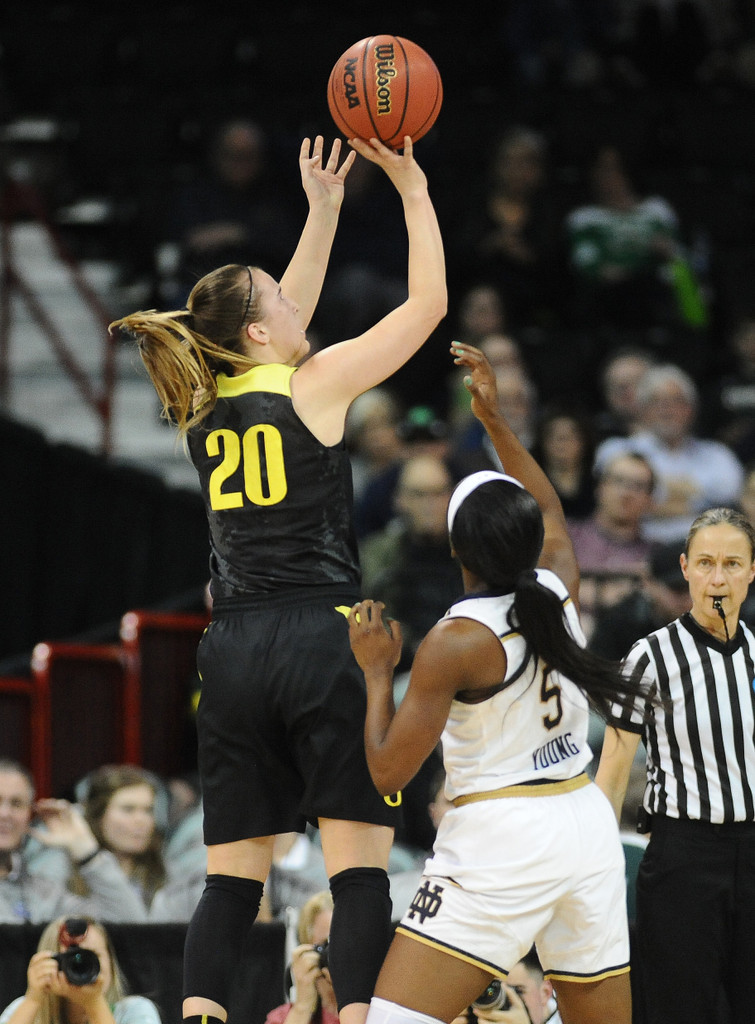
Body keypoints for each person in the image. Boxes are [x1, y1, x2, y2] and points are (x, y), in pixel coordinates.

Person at [109, 131, 446, 1024]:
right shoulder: (321, 384)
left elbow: (268, 320)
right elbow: (428, 303)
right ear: (261, 331)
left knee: (230, 883)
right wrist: (408, 187)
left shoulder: (202, 405)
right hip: (317, 637)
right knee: (362, 866)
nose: (302, 307)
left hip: (234, 653)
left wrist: (323, 210)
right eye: (277, 303)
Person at [347, 341, 652, 1024]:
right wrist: (494, 422)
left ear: (457, 548)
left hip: (503, 837)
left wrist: (375, 673)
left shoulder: (455, 642)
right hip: (583, 825)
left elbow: (388, 773)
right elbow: (547, 507)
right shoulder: (558, 586)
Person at [595, 506, 755, 1024]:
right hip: (684, 856)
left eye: (733, 563)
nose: (718, 577)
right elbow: (614, 769)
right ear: (684, 568)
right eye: (706, 562)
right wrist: (591, 870)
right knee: (680, 1010)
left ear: (753, 571)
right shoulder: (651, 657)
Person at [594, 362, 745, 544]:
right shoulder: (617, 450)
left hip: (706, 551)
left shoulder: (718, 455)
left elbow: (733, 507)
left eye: (677, 401)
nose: (667, 409)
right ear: (642, 408)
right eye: (657, 401)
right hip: (634, 551)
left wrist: (653, 502)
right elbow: (612, 507)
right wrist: (697, 500)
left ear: (691, 409)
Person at [0, 759, 147, 924]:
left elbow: (132, 926)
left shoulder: (43, 894)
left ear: (29, 815)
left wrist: (87, 852)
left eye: (17, 804)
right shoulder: (49, 873)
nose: (5, 813)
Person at [359, 454, 462, 674]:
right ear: (400, 500)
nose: (430, 504)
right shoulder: (378, 554)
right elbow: (367, 618)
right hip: (401, 669)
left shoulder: (472, 551)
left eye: (438, 493)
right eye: (419, 495)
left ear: (452, 497)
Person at [77, 764, 206, 922]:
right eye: (128, 809)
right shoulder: (67, 875)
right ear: (98, 816)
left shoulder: (171, 878)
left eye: (148, 810)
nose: (141, 821)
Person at [0, 915, 162, 1024]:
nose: (80, 964)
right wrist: (33, 1000)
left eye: (91, 956)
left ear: (111, 964)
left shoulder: (134, 1011)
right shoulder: (25, 1008)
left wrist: (94, 1003)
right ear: (49, 962)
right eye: (71, 957)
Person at [587, 539, 692, 662]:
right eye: (678, 589)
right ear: (649, 584)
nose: (688, 598)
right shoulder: (619, 624)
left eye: (693, 588)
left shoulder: (712, 620)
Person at [265, 890, 337, 1024]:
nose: (338, 955)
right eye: (326, 945)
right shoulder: (282, 1018)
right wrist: (303, 1007)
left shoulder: (379, 1006)